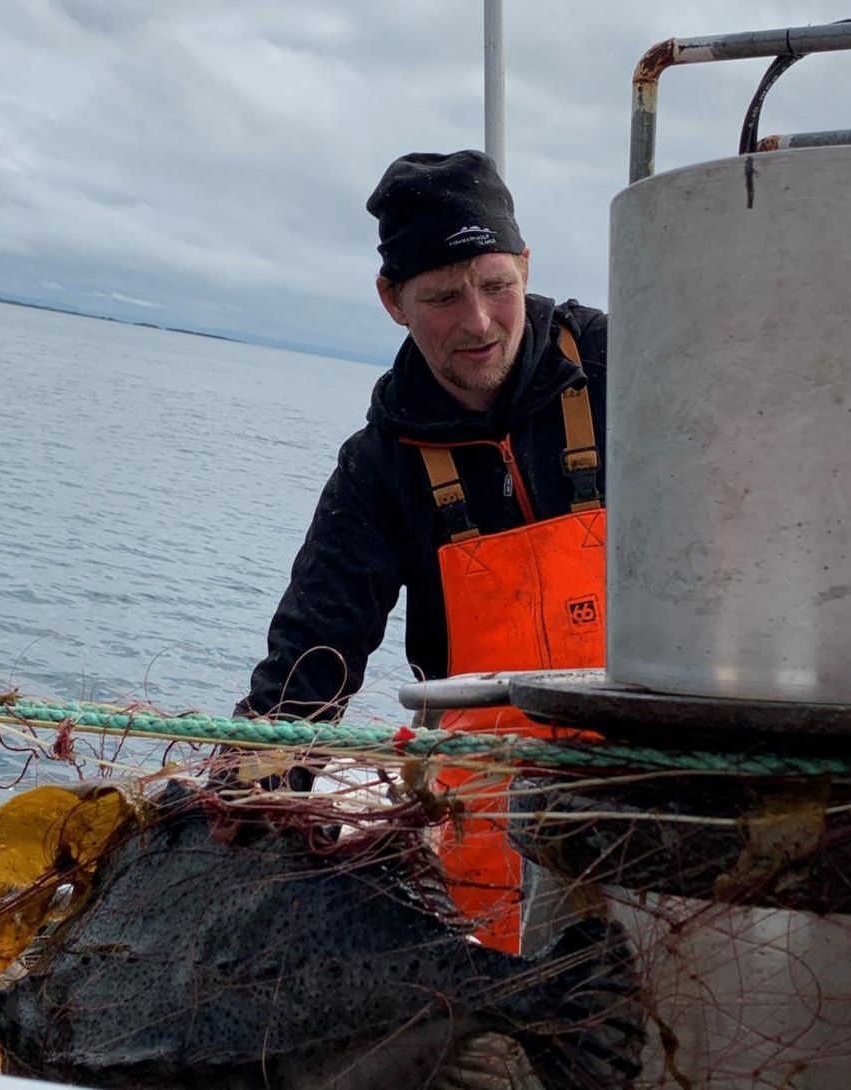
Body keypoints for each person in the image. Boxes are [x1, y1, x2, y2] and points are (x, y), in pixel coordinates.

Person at [235, 149, 608, 951]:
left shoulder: (627, 370)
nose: (477, 322)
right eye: (441, 297)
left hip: (663, 801)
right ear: (391, 302)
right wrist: (246, 784)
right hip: (489, 835)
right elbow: (310, 663)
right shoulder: (380, 466)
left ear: (526, 265)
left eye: (496, 284)